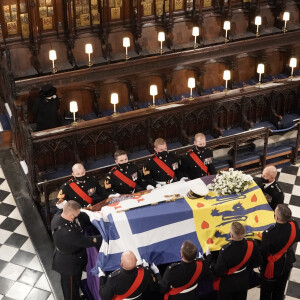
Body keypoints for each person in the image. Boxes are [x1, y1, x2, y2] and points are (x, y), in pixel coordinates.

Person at [51, 200, 102, 300]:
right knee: (70, 291)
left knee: (75, 283)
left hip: (73, 257)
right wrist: (104, 236)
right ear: (71, 216)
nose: (78, 216)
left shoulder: (60, 215)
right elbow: (88, 241)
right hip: (70, 265)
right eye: (76, 215)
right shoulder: (66, 233)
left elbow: (81, 217)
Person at [211, 221, 262, 300]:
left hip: (228, 286)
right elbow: (258, 262)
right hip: (244, 281)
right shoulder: (252, 244)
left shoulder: (225, 251)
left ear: (231, 235)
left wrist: (210, 259)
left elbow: (218, 272)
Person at [260, 204, 300, 300]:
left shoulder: (268, 234)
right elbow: (297, 237)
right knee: (280, 290)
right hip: (287, 262)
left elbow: (264, 254)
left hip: (272, 267)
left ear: (276, 217)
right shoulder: (293, 224)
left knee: (266, 293)